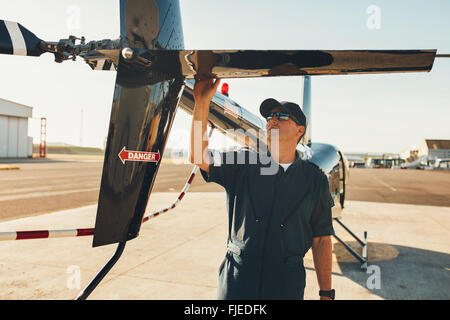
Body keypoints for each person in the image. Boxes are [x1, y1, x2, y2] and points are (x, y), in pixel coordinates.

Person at [189, 77, 335, 300]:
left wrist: (326, 294)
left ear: (299, 130)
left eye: (282, 116)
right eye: (269, 116)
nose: (272, 120)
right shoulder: (243, 163)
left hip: (285, 286)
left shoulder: (315, 180)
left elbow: (322, 239)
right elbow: (199, 157)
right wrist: (201, 102)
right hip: (237, 282)